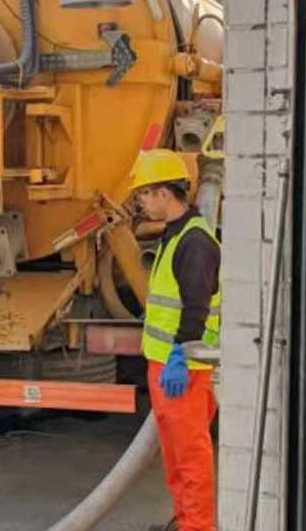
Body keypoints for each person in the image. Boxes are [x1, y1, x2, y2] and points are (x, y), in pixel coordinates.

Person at [129, 149, 221, 531]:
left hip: (185, 370)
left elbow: (196, 309)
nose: (142, 203)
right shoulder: (176, 233)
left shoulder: (195, 242)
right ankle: (186, 522)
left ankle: (197, 527)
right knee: (175, 461)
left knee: (191, 460)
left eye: (144, 195)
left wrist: (180, 357)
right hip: (167, 366)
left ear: (164, 192)